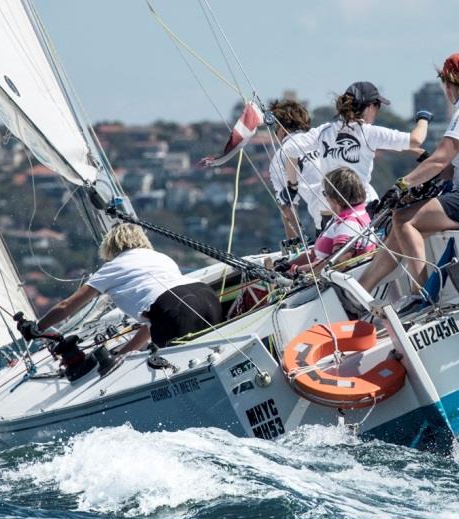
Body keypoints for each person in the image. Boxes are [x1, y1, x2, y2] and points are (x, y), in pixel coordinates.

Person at [358, 53, 459, 295]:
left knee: (403, 219)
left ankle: (421, 294)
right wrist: (418, 188)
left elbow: (440, 159)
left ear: (448, 84)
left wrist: (401, 186)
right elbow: (449, 168)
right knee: (399, 234)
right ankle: (358, 294)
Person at [22, 223, 222, 352]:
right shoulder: (161, 257)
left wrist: (36, 328)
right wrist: (123, 352)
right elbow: (152, 323)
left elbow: (68, 306)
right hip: (207, 297)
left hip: (172, 308)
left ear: (110, 247)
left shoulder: (112, 268)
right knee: (212, 351)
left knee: (173, 363)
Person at [281, 81, 431, 228]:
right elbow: (415, 139)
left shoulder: (324, 131)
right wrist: (423, 118)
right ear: (370, 107)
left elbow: (288, 149)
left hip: (328, 213)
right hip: (357, 213)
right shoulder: (369, 132)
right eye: (378, 107)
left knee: (328, 252)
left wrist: (292, 186)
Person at [281, 168, 376, 275]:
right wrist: (287, 265)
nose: (325, 198)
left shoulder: (349, 224)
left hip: (325, 284)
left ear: (334, 196)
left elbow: (337, 263)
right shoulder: (350, 214)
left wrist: (296, 270)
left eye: (325, 193)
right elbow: (314, 255)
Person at [267, 99, 325, 237]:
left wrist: (296, 247)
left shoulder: (280, 157)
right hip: (364, 212)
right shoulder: (321, 136)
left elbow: (288, 207)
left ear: (282, 129)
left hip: (328, 224)